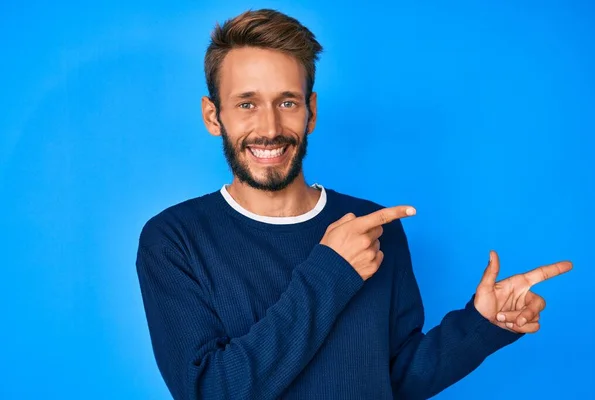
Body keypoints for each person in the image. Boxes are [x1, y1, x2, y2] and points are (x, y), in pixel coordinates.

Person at [135, 8, 572, 400]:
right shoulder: (174, 240)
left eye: (287, 102)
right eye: (246, 104)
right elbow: (212, 392)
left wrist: (481, 326)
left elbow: (395, 381)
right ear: (214, 116)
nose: (269, 127)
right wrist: (332, 271)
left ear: (311, 112)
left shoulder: (373, 227)